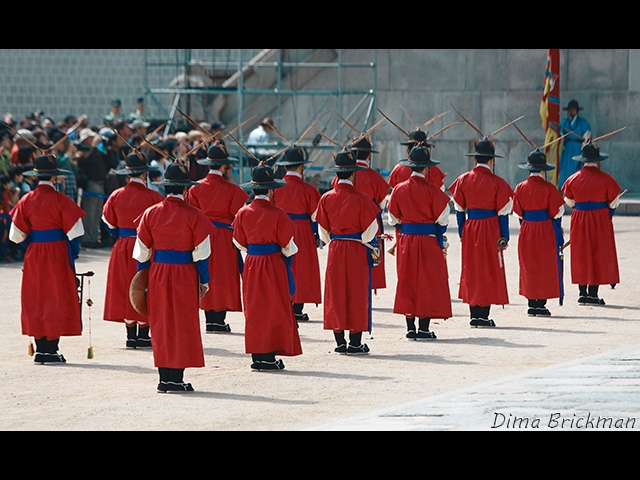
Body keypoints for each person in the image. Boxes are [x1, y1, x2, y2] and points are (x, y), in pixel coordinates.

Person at [132, 162, 212, 393]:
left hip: (158, 273)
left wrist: (143, 279)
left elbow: (142, 253)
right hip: (184, 273)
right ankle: (176, 378)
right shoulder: (195, 216)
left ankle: (164, 378)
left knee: (161, 322)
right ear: (186, 189)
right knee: (182, 323)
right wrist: (204, 280)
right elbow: (202, 255)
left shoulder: (150, 213)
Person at [8, 154, 86, 364]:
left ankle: (41, 347)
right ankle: (51, 348)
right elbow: (76, 232)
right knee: (56, 295)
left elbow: (15, 235)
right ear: (54, 178)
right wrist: (72, 251)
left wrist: (32, 242)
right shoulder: (62, 200)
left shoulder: (26, 200)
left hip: (35, 252)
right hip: (58, 251)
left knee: (36, 297)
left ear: (36, 177)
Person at [232, 161, 302, 371]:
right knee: (273, 307)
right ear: (271, 190)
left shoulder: (243, 212)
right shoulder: (278, 213)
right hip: (273, 262)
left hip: (252, 262)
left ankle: (257, 355)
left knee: (255, 308)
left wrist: (254, 250)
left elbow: (238, 241)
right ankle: (269, 357)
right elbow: (288, 246)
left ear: (253, 189)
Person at [313, 147, 380, 355]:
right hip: (356, 249)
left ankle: (340, 342)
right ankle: (355, 343)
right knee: (357, 292)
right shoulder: (362, 198)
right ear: (353, 173)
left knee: (336, 292)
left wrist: (333, 240)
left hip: (335, 248)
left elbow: (322, 232)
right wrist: (360, 239)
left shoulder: (326, 198)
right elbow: (372, 231)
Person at [386, 145, 452, 340]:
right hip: (429, 241)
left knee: (407, 280)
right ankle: (423, 328)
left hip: (407, 240)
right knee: (427, 281)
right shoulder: (433, 191)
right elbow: (443, 220)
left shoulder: (399, 189)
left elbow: (393, 219)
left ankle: (410, 327)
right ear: (427, 168)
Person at [448, 138, 513, 328]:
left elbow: (459, 210)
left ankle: (474, 314)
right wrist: (504, 237)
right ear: (491, 160)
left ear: (475, 159)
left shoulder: (463, 180)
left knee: (471, 269)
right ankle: (483, 315)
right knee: (489, 269)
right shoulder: (498, 182)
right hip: (491, 227)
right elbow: (503, 214)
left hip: (471, 227)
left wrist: (462, 231)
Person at [102, 151, 164, 349]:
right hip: (146, 245)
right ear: (145, 174)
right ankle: (144, 334)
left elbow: (108, 224)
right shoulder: (154, 196)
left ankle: (130, 334)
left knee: (124, 285)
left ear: (127, 175)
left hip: (123, 245)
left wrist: (121, 236)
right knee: (144, 285)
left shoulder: (116, 195)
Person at [188, 142, 249, 333]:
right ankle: (219, 320)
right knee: (223, 276)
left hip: (203, 234)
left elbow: (194, 212)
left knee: (205, 272)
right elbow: (236, 213)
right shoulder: (232, 190)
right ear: (224, 166)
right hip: (224, 235)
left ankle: (209, 319)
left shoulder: (195, 188)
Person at [561, 141, 623, 305]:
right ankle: (593, 294)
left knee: (581, 253)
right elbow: (614, 202)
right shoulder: (606, 179)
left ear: (582, 160)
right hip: (600, 218)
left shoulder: (572, 179)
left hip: (580, 217)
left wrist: (580, 205)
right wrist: (608, 213)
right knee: (597, 252)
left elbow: (568, 200)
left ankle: (582, 292)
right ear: (597, 160)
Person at [512, 149, 566, 316]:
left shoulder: (520, 187)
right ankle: (540, 304)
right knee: (544, 264)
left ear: (528, 169)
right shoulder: (550, 188)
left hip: (527, 228)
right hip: (545, 228)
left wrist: (527, 223)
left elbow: (518, 213)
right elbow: (558, 213)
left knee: (528, 264)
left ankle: (531, 302)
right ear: (543, 170)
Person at [273, 146, 323, 323]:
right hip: (301, 230)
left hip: (279, 228)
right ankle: (297, 308)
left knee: (280, 265)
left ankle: (283, 304)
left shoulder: (276, 188)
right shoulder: (308, 189)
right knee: (300, 268)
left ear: (285, 167)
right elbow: (317, 215)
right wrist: (317, 235)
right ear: (301, 167)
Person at [341, 136, 390, 293]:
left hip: (346, 221)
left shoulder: (342, 177)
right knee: (369, 254)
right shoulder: (375, 177)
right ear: (369, 155)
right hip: (370, 220)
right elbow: (382, 203)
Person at [74, 127, 111, 248]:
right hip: (91, 183)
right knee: (90, 213)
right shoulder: (83, 150)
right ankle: (88, 238)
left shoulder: (97, 150)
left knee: (97, 212)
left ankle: (94, 237)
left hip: (100, 182)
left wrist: (106, 147)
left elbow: (107, 162)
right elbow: (85, 162)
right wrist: (93, 147)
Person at [558, 99, 591, 190]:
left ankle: (576, 188)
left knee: (576, 168)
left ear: (577, 110)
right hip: (567, 148)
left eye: (573, 109)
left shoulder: (583, 123)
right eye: (570, 109)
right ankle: (564, 188)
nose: (571, 111)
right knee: (565, 168)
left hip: (578, 148)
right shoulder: (564, 123)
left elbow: (586, 138)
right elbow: (560, 136)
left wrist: (584, 144)